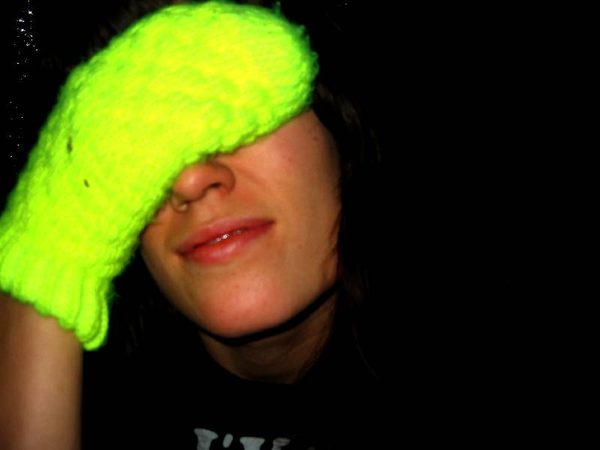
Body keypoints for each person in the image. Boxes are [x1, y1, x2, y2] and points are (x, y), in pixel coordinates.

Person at [0, 1, 387, 449]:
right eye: (134, 140)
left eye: (229, 98)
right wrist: (48, 256)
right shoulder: (102, 405)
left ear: (337, 116)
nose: (190, 180)